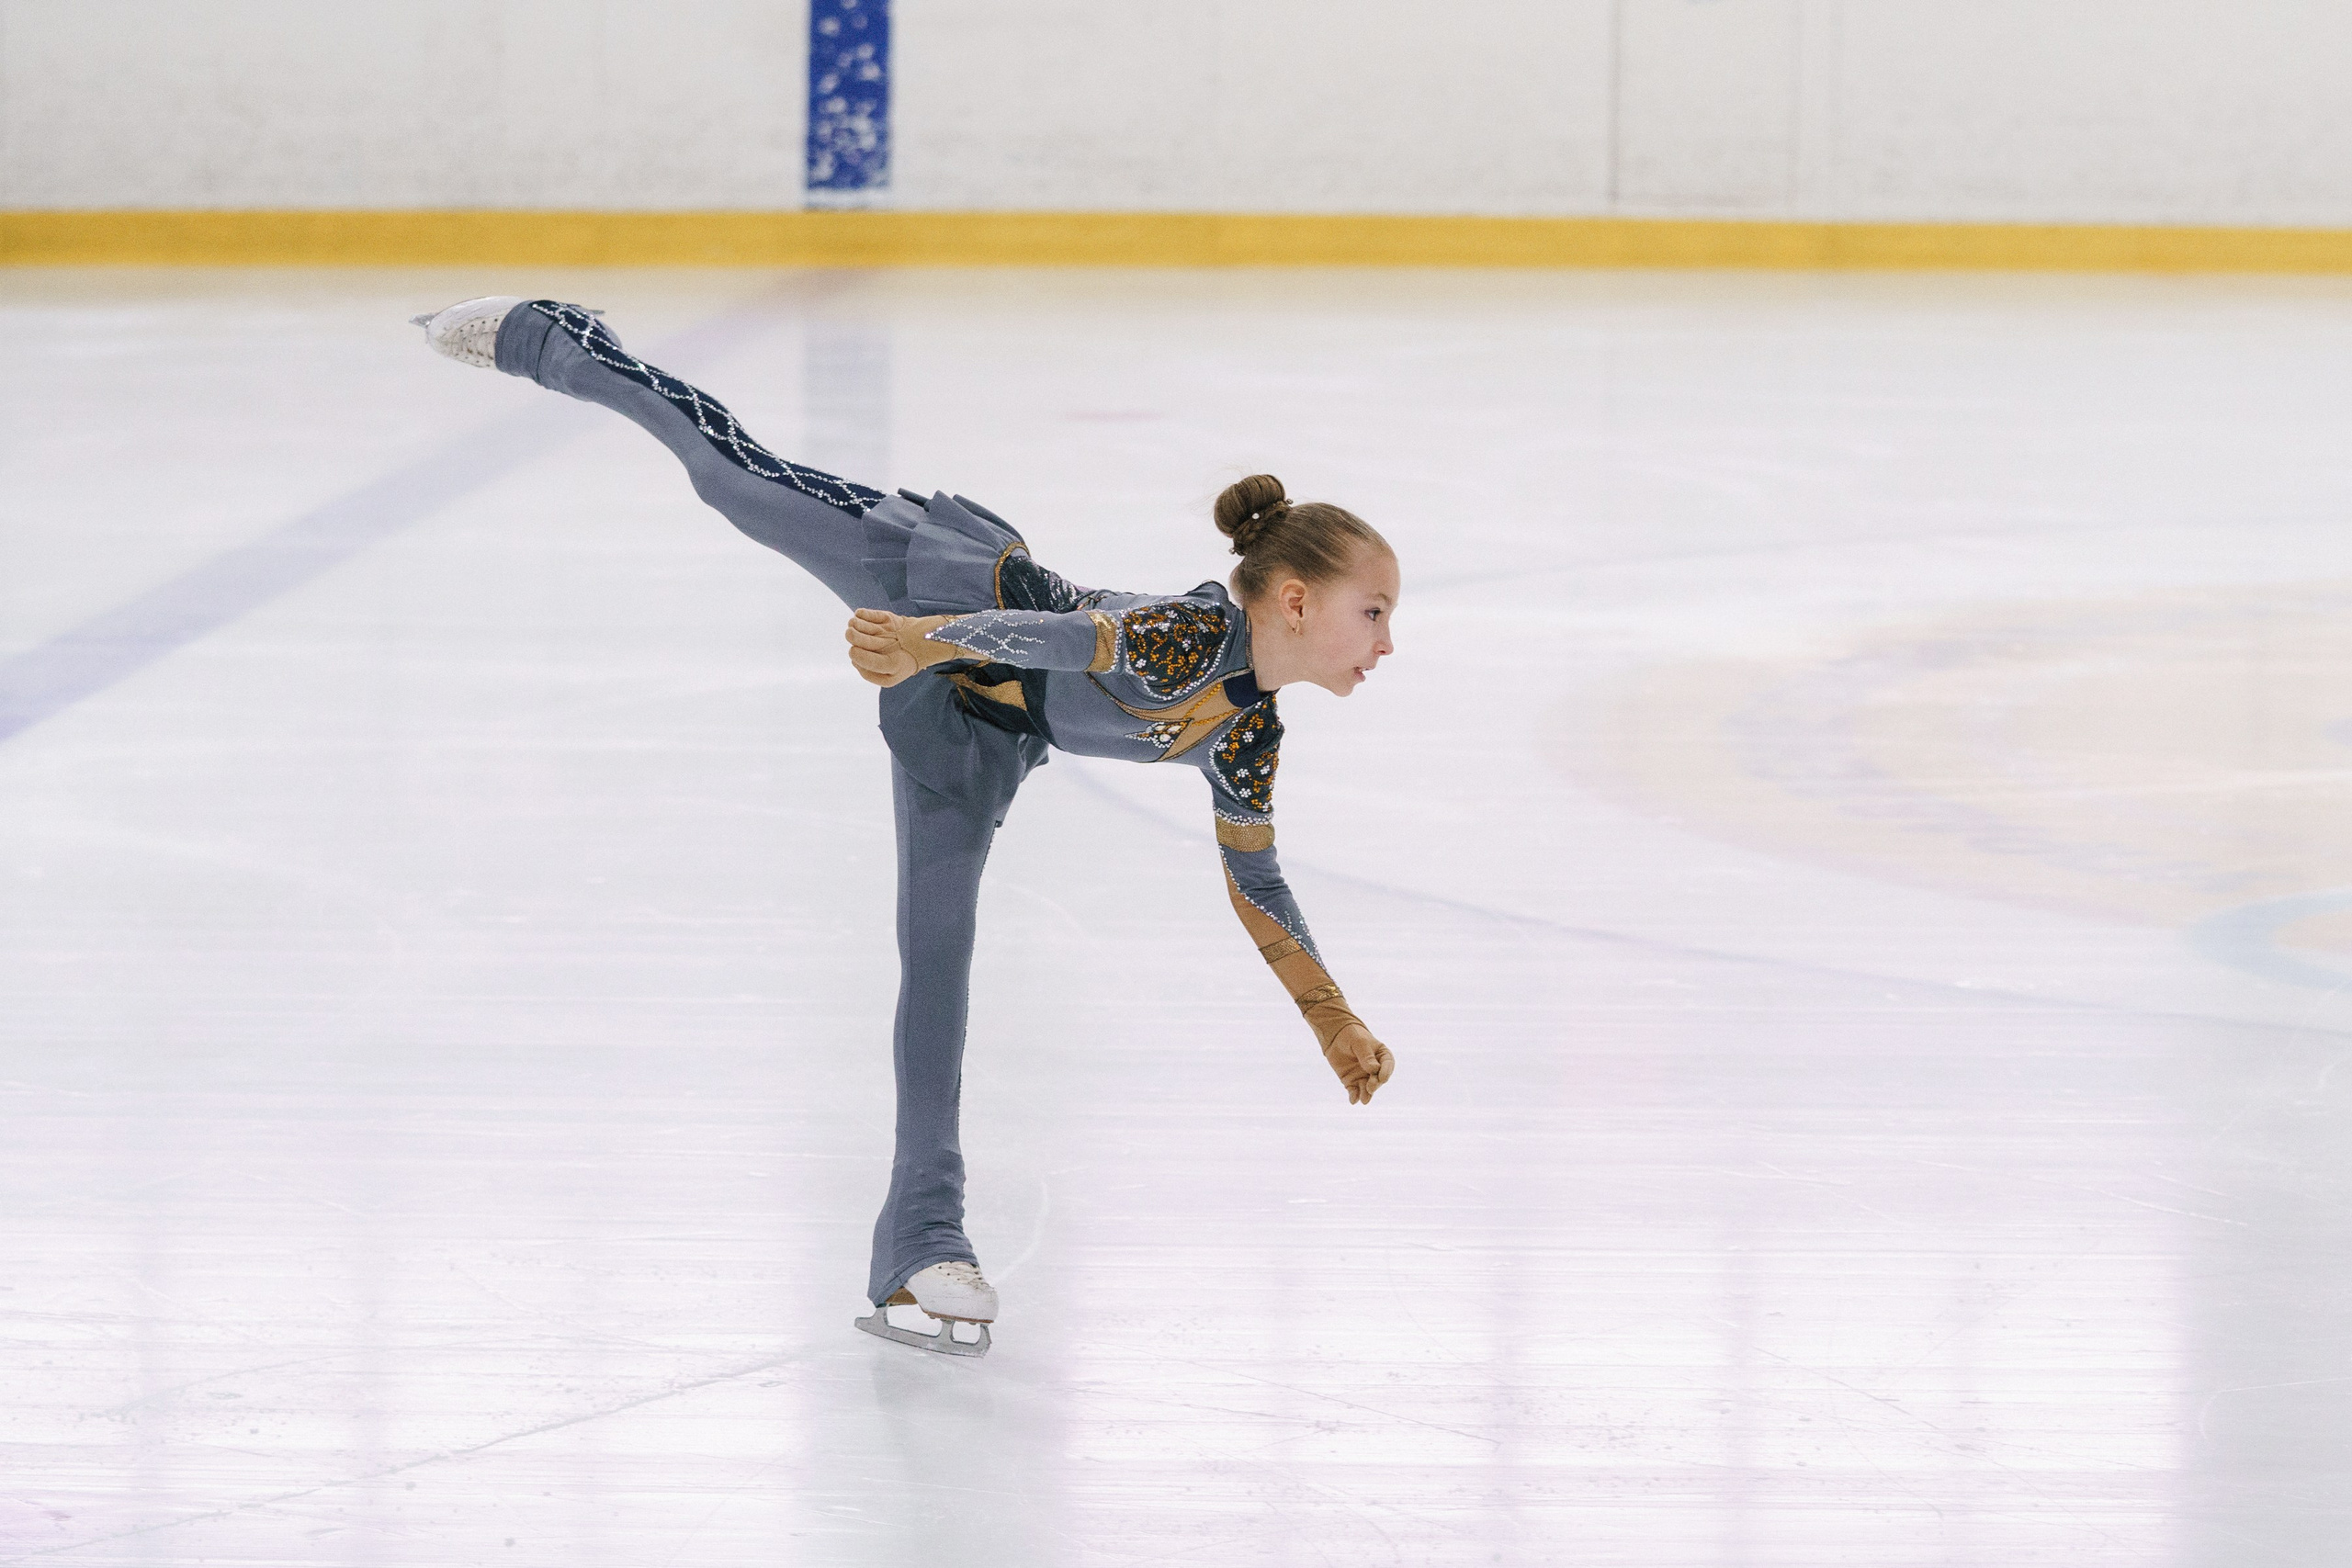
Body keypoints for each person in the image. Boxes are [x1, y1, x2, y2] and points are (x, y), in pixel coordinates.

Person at [412, 297, 1399, 1357]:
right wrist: (930, 637)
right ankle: (555, 339)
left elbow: (1258, 883)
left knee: (937, 954)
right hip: (930, 589)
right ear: (1294, 601)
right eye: (1374, 612)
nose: (1385, 642)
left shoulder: (1247, 736)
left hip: (977, 728)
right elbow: (1069, 640)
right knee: (731, 480)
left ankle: (920, 1243)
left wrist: (1330, 1019)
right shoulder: (1192, 633)